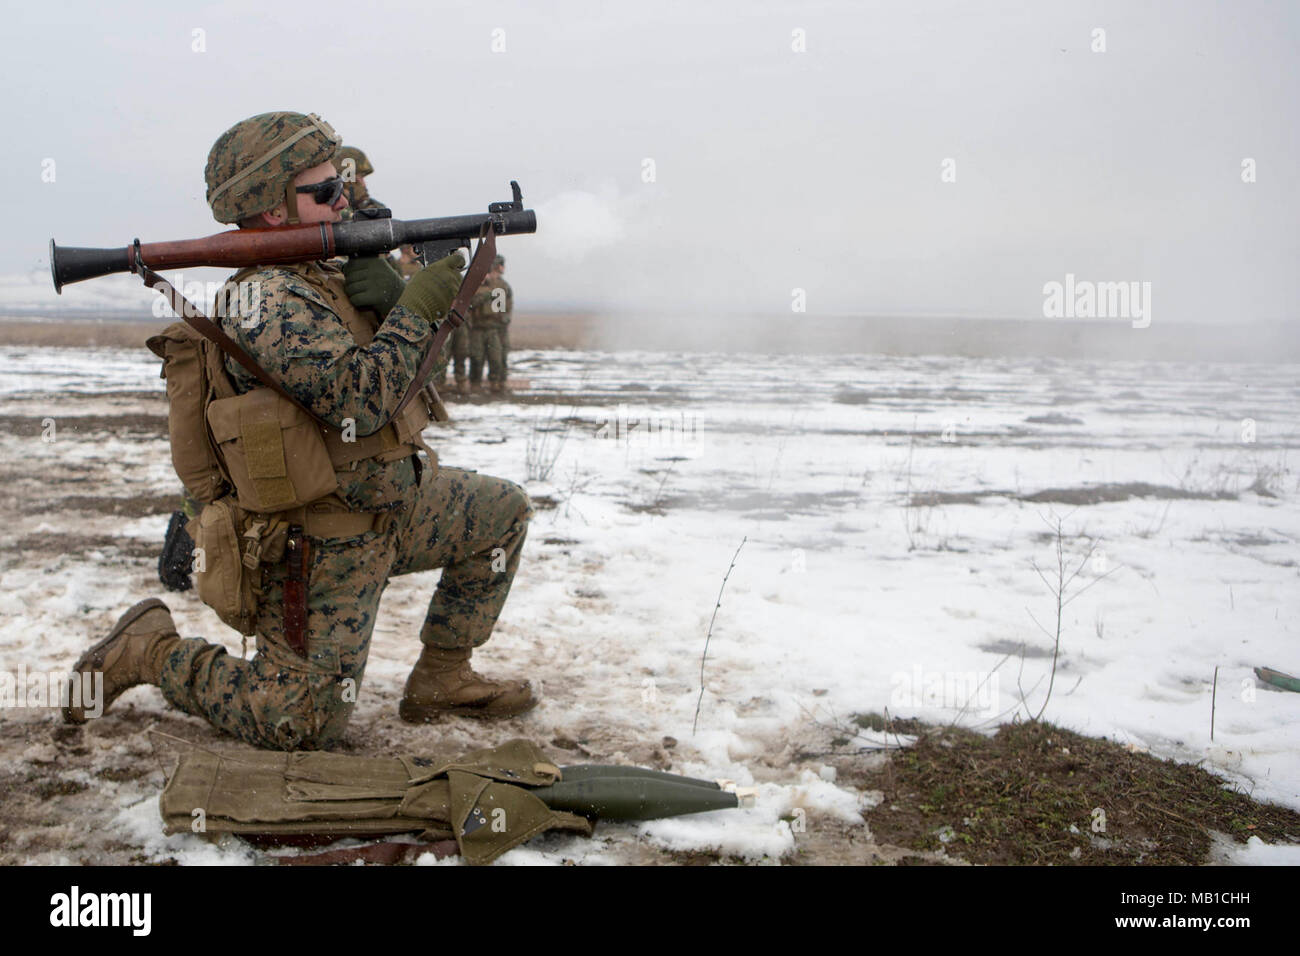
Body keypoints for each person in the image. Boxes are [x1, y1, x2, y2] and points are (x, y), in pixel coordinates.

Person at [64, 111, 537, 751]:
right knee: (301, 722)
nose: (345, 200)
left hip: (395, 508)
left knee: (501, 514)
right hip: (319, 546)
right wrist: (420, 305)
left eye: (341, 185)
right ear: (275, 210)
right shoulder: (265, 301)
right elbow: (358, 403)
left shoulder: (326, 277)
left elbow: (408, 383)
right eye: (326, 192)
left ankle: (442, 677)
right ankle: (151, 650)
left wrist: (395, 299)